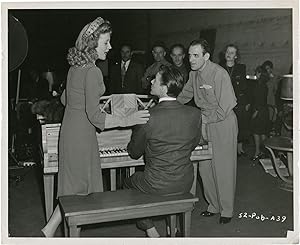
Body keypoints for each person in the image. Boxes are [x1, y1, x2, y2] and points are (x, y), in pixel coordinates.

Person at [41, 17, 150, 237]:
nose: (110, 47)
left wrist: (84, 101)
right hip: (82, 134)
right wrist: (131, 118)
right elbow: (96, 117)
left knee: (74, 189)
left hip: (70, 130)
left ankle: (49, 230)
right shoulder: (92, 71)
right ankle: (57, 232)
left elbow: (64, 100)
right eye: (106, 42)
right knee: (78, 193)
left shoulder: (75, 68)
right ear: (92, 43)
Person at [124, 65, 202, 237]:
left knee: (128, 183)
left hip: (156, 184)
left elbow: (134, 153)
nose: (151, 81)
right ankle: (171, 227)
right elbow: (193, 143)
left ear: (165, 88)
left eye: (155, 79)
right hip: (185, 181)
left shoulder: (147, 116)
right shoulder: (194, 114)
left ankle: (150, 230)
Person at [177, 39, 238, 224]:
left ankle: (226, 210)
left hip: (223, 122)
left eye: (196, 55)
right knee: (205, 167)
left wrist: (206, 120)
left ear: (206, 56)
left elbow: (226, 106)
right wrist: (166, 104)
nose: (191, 59)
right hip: (204, 122)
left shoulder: (218, 74)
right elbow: (185, 95)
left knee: (223, 167)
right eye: (189, 55)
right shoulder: (193, 74)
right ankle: (213, 205)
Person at [220, 44, 250, 155]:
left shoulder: (241, 68)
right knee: (225, 126)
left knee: (240, 124)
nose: (229, 54)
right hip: (223, 102)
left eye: (232, 53)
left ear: (236, 56)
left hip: (238, 101)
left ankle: (239, 148)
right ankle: (227, 147)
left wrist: (246, 102)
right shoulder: (219, 67)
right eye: (227, 52)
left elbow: (244, 86)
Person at [250, 66, 270, 161]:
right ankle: (264, 152)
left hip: (260, 111)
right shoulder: (263, 84)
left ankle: (258, 152)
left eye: (257, 72)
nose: (255, 74)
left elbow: (260, 100)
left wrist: (256, 112)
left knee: (257, 132)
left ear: (261, 74)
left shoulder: (260, 85)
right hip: (263, 111)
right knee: (262, 133)